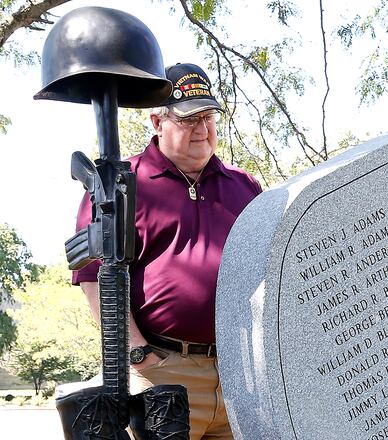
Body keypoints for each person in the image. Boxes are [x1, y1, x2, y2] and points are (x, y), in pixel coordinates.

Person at [72, 62, 262, 439]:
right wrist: (139, 353)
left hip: (240, 375)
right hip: (163, 371)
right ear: (158, 123)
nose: (202, 130)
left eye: (208, 117)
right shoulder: (121, 185)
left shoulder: (245, 187)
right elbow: (95, 280)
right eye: (189, 119)